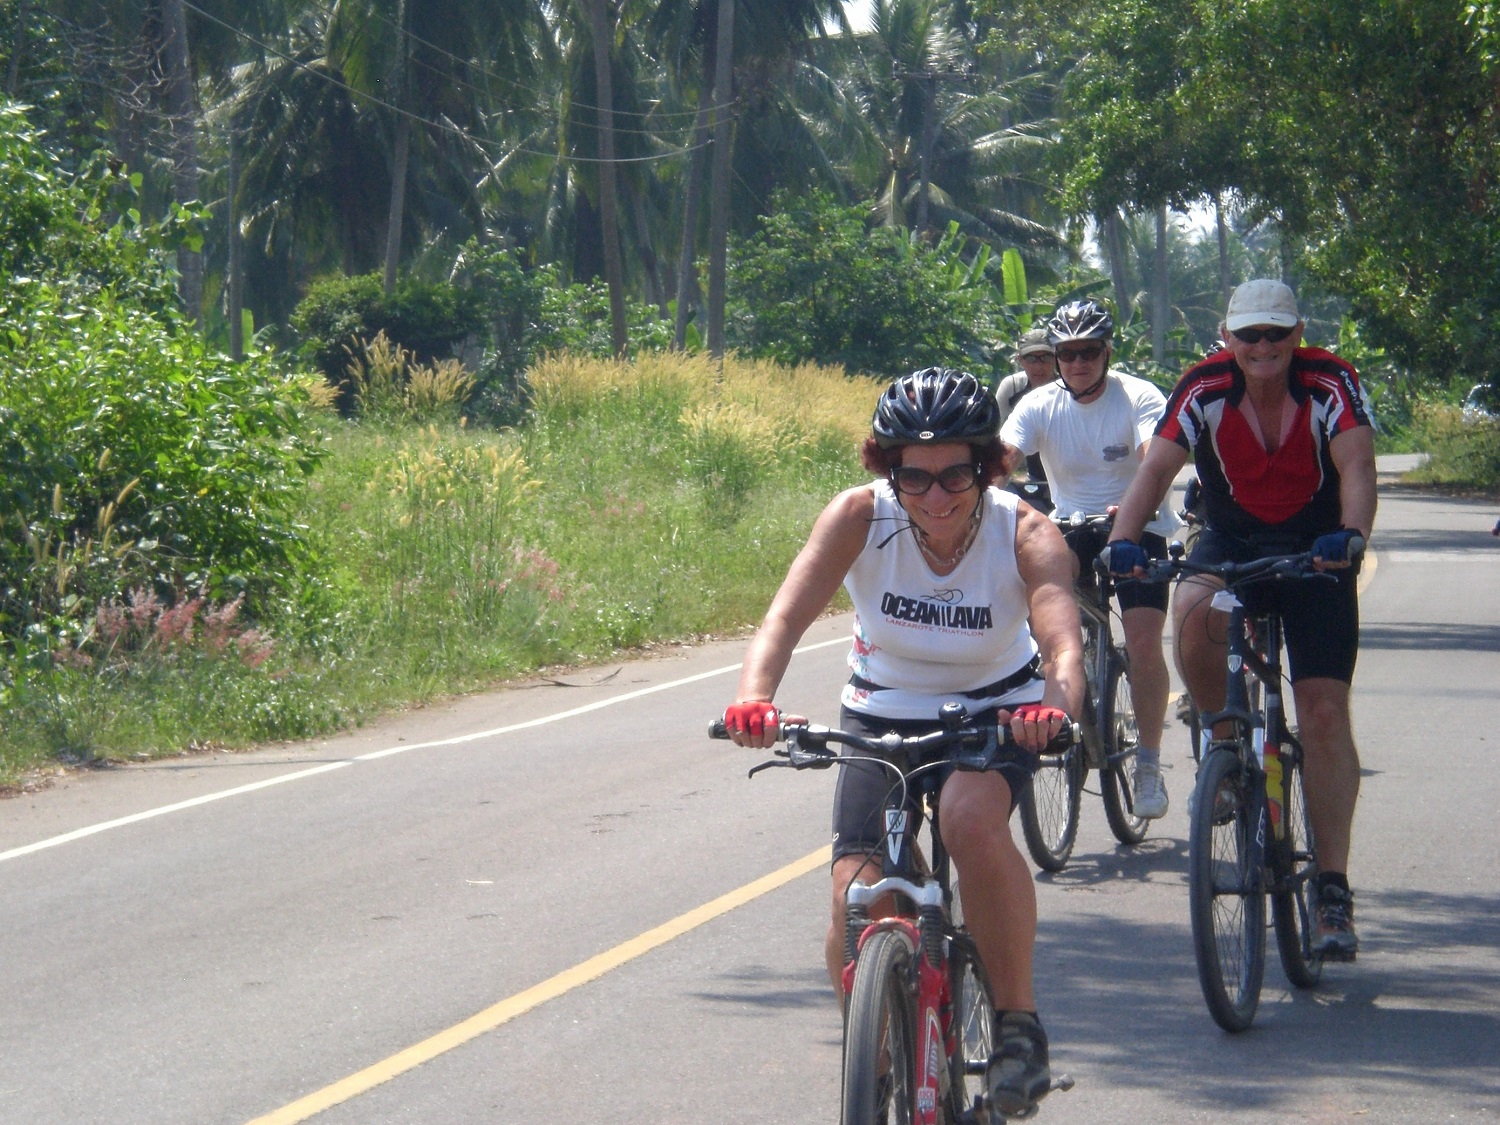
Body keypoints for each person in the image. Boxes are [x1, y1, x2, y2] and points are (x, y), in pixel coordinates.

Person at [721, 367, 1085, 1116]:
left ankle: (1019, 1027)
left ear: (988, 465)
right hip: (882, 707)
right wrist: (753, 699)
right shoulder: (858, 515)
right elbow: (783, 619)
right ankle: (879, 1052)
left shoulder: (1025, 531)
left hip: (999, 707)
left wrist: (1051, 714)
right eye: (912, 475)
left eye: (956, 471)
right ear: (889, 468)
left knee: (967, 819)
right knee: (856, 893)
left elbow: (1063, 653)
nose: (936, 494)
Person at [1105, 278, 1377, 961]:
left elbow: (1358, 467)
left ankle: (1334, 889)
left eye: (1275, 334)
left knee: (1319, 712)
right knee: (1192, 608)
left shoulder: (1330, 383)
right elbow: (1154, 470)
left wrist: (1351, 535)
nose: (1262, 347)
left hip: (1317, 551)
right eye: (1248, 335)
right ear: (1227, 338)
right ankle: (1223, 744)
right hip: (1232, 539)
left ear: (1297, 335)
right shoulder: (1202, 387)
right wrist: (1123, 540)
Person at [998, 298, 1178, 819]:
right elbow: (1004, 458)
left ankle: (1147, 762)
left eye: (1089, 352)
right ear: (1055, 357)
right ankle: (1059, 712)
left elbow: (1154, 457)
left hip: (1137, 527)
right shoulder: (1037, 404)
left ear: (1107, 352)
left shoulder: (1139, 395)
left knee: (1144, 643)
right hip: (1071, 528)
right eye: (1067, 353)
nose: (1078, 364)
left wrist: (1138, 502)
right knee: (1050, 636)